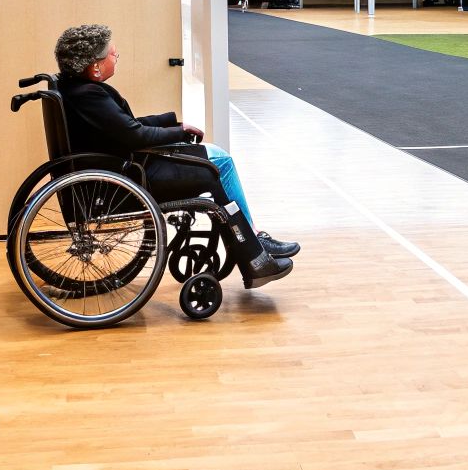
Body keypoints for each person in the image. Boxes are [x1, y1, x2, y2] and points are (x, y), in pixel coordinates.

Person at [52, 23, 297, 289]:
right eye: (112, 53)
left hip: (122, 168)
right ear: (94, 66)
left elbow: (124, 126)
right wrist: (177, 131)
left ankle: (253, 243)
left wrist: (172, 123)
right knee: (218, 168)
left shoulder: (78, 89)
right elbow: (134, 135)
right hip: (125, 178)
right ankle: (254, 252)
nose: (117, 56)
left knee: (216, 158)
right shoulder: (89, 95)